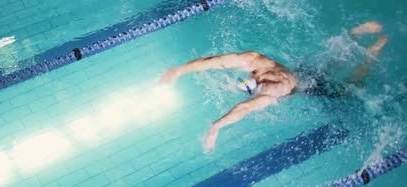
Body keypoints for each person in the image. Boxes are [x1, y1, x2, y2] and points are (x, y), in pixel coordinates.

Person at [159, 22, 387, 152]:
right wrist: (179, 71)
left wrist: (216, 127)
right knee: (334, 58)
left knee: (352, 86)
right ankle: (358, 34)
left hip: (308, 86)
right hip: (301, 72)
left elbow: (244, 108)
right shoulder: (255, 60)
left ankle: (372, 54)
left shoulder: (271, 91)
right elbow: (214, 62)